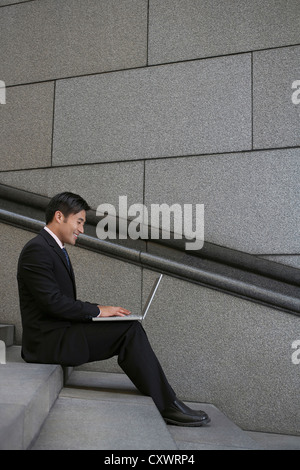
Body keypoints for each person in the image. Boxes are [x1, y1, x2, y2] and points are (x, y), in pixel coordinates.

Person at [17, 192, 210, 427]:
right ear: (59, 216)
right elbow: (53, 302)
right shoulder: (37, 249)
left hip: (61, 331)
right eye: (79, 221)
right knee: (129, 330)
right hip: (46, 343)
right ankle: (168, 405)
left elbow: (58, 302)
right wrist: (98, 311)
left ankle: (168, 401)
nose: (82, 229)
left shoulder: (53, 248)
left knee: (128, 327)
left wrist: (100, 312)